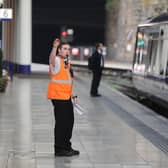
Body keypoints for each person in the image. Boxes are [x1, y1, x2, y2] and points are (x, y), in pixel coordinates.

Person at [47, 38, 79, 156]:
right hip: (58, 97)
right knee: (61, 123)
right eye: (65, 49)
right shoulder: (56, 60)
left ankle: (66, 146)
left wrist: (73, 95)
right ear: (59, 50)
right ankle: (60, 149)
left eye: (69, 49)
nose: (67, 51)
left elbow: (69, 81)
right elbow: (51, 60)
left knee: (69, 122)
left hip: (66, 97)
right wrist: (54, 47)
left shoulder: (66, 62)